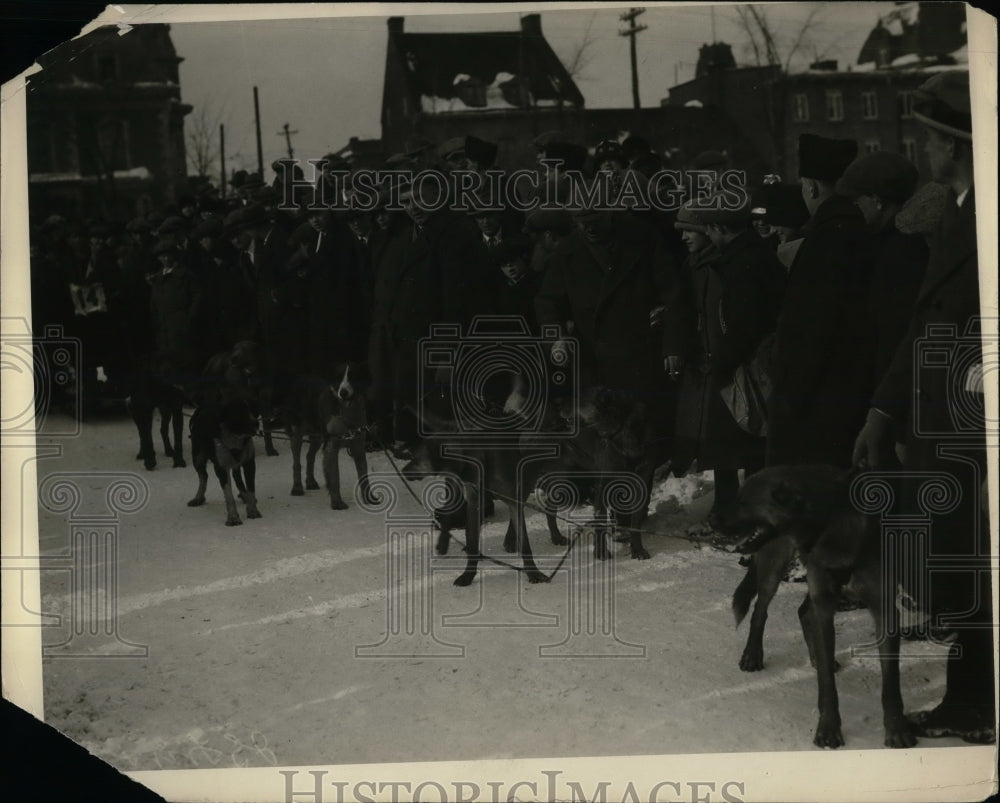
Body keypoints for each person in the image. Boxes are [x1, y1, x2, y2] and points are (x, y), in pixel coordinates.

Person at [853, 71, 994, 744]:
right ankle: (972, 698)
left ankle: (978, 701)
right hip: (942, 425)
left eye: (933, 139)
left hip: (974, 422)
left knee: (976, 564)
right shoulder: (957, 210)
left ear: (955, 145)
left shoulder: (987, 213)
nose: (926, 150)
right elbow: (922, 325)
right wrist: (882, 411)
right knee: (961, 563)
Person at [673, 196, 786, 517]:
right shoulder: (751, 255)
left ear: (720, 228)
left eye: (709, 228)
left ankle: (740, 514)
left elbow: (743, 324)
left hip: (747, 368)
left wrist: (722, 363)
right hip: (752, 365)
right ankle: (742, 511)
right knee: (741, 445)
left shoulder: (742, 263)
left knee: (737, 444)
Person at [766, 133, 870, 468]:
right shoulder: (858, 230)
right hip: (852, 393)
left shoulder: (823, 240)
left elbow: (809, 330)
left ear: (810, 187)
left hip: (818, 402)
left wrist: (790, 399)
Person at [835, 150, 928, 401]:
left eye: (857, 200)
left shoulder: (900, 251)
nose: (854, 207)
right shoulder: (892, 242)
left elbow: (893, 336)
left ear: (876, 200)